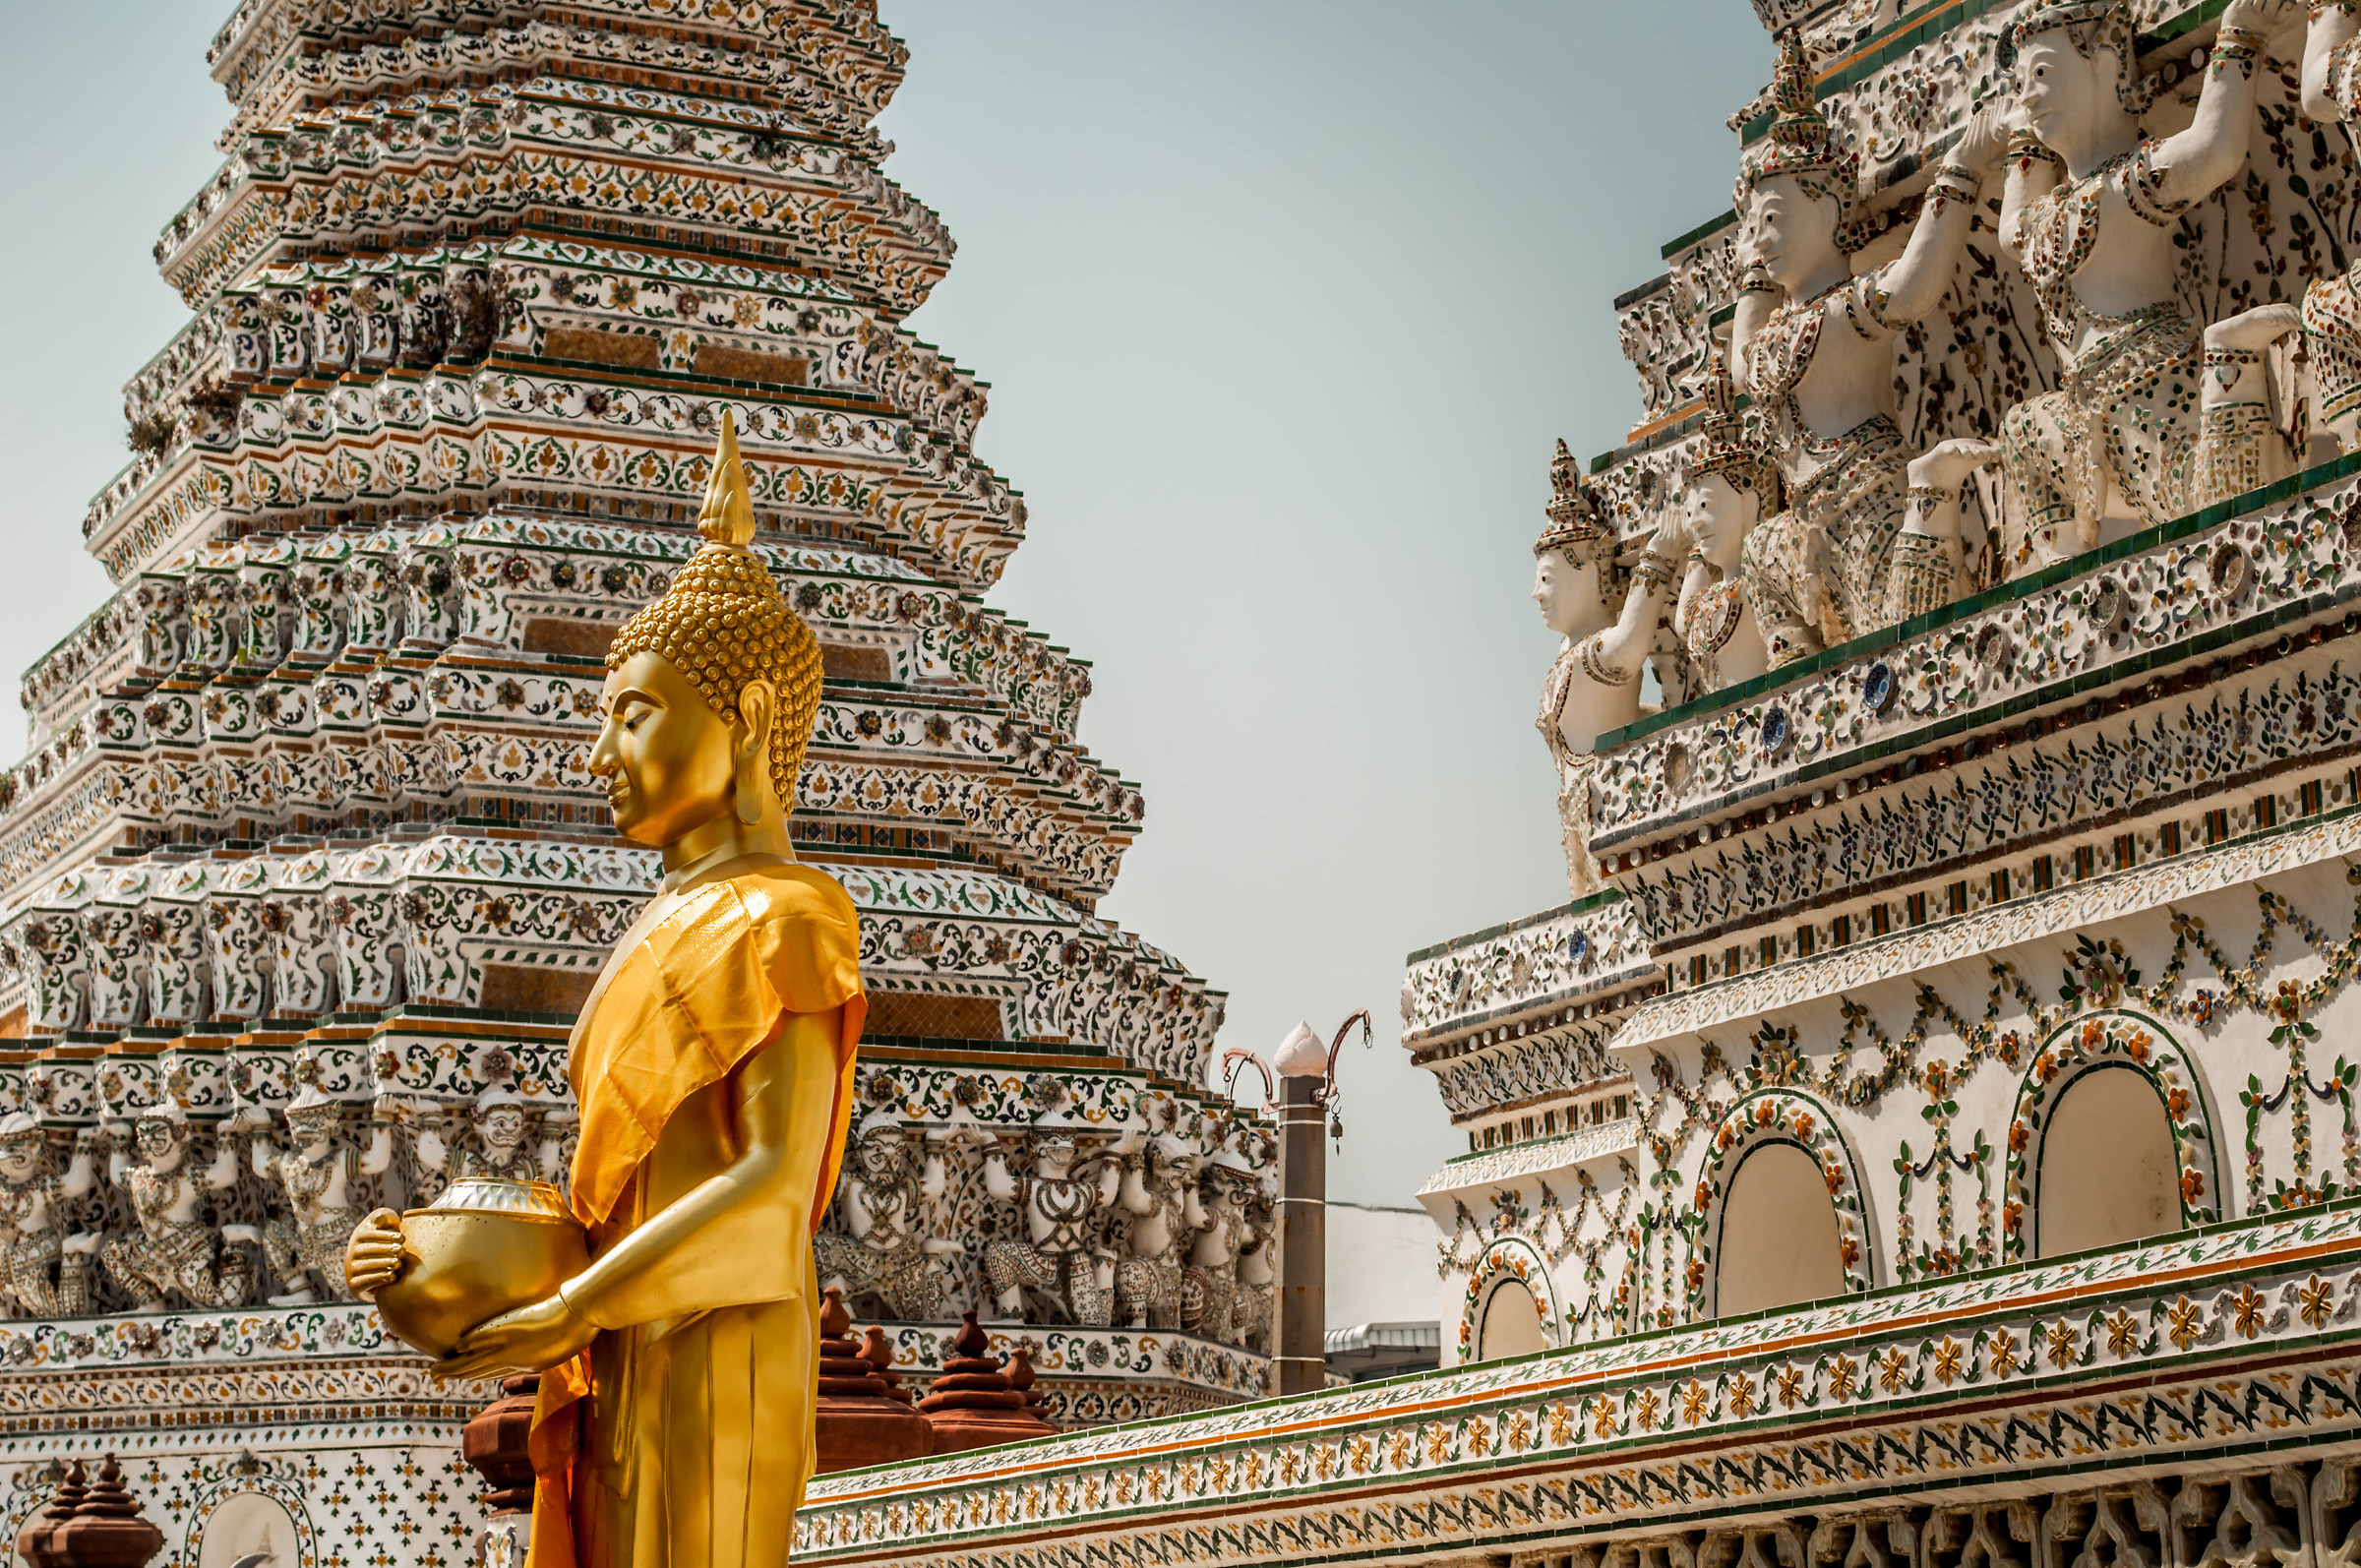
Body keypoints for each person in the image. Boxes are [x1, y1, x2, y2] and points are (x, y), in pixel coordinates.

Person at [345, 411, 864, 1568]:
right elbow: (602, 1209)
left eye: (632, 714)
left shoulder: (790, 915)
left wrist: (578, 1307)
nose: (598, 755)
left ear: (751, 720)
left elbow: (775, 1195)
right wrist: (428, 1255)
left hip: (723, 1348)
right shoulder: (656, 932)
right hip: (627, 1342)